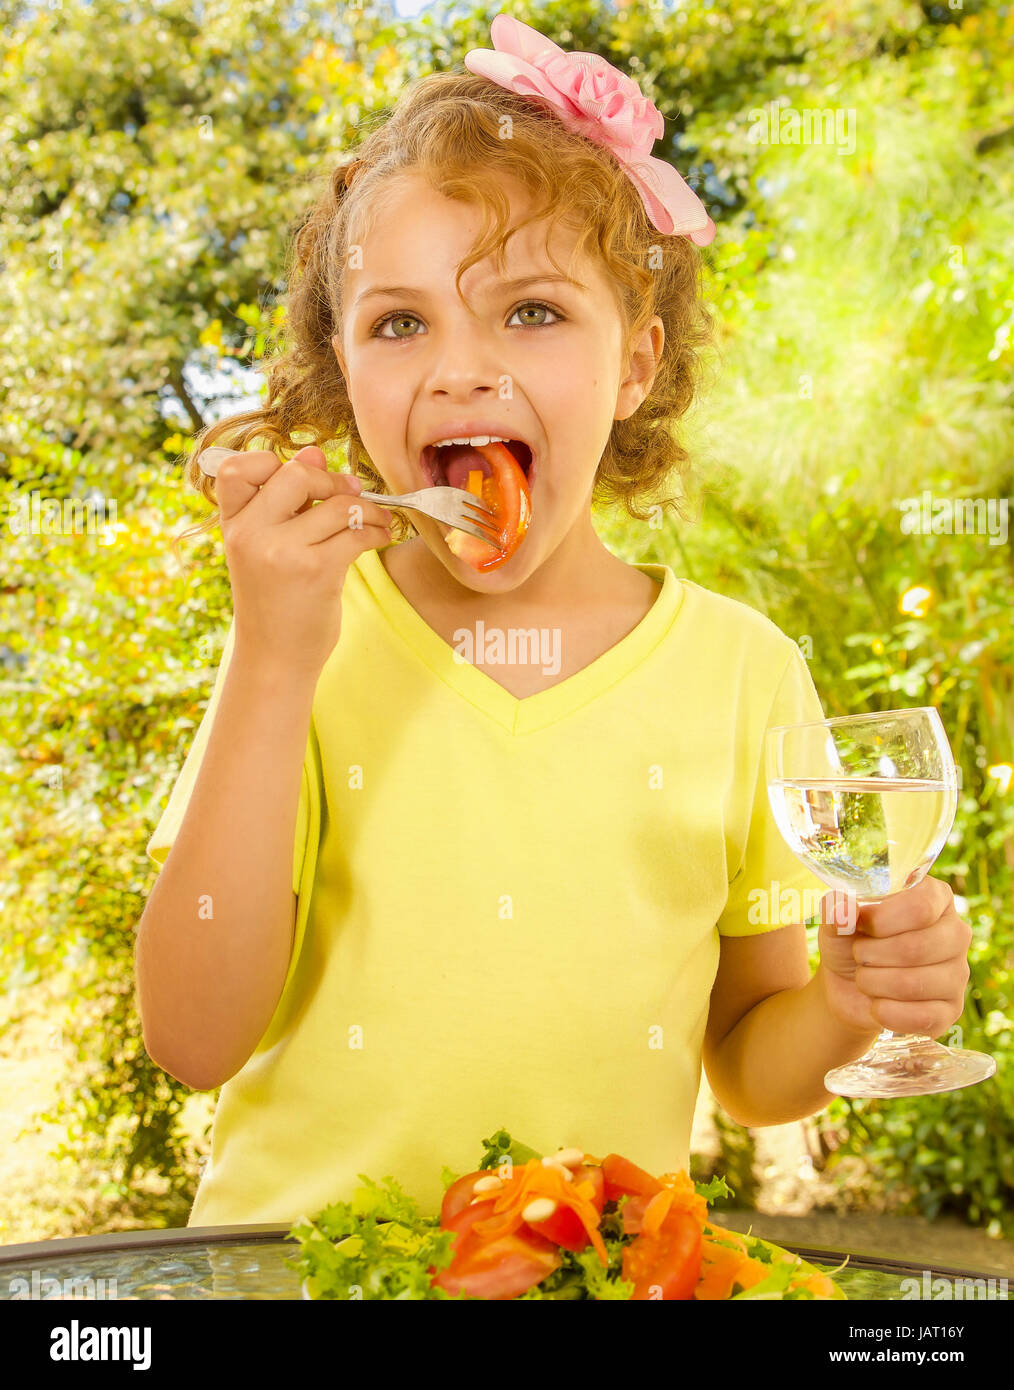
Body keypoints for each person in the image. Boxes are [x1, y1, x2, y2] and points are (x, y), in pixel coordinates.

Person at [135, 14, 973, 1229]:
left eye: (531, 311)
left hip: (599, 1273)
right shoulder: (304, 640)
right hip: (296, 1273)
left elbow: (747, 1066)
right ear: (344, 370)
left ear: (634, 364)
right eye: (399, 321)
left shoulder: (743, 674)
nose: (462, 367)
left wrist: (851, 1001)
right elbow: (193, 1038)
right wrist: (271, 657)